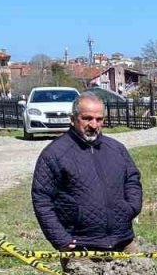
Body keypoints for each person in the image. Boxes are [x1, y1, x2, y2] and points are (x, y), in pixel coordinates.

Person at [31, 92, 142, 252]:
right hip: (80, 246)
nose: (94, 125)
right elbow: (42, 199)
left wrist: (131, 207)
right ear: (73, 119)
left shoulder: (116, 149)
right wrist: (61, 239)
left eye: (99, 119)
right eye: (87, 118)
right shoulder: (55, 154)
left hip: (122, 240)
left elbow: (132, 179)